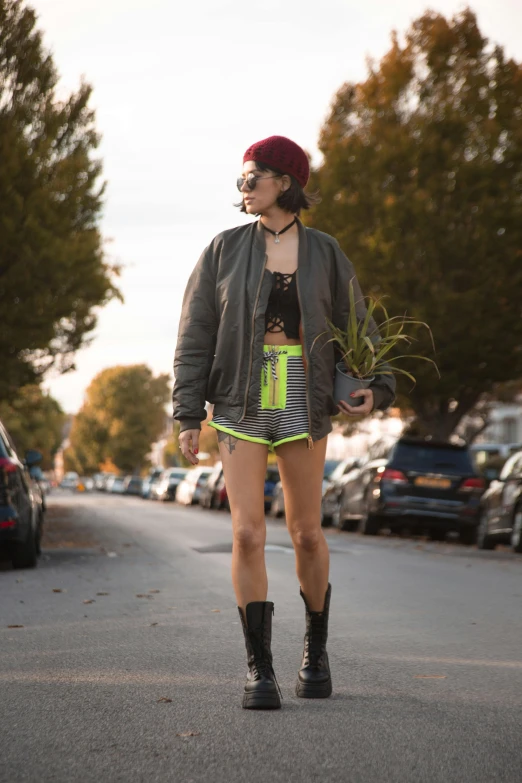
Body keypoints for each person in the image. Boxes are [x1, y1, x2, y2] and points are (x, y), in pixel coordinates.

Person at [173, 135, 396, 710]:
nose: (243, 189)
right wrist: (188, 412)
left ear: (285, 182)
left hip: (301, 387)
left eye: (252, 178)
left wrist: (374, 386)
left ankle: (314, 652)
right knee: (247, 531)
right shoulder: (223, 250)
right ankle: (258, 668)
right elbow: (194, 336)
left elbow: (360, 329)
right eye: (241, 181)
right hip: (244, 394)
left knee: (306, 532)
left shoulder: (326, 252)